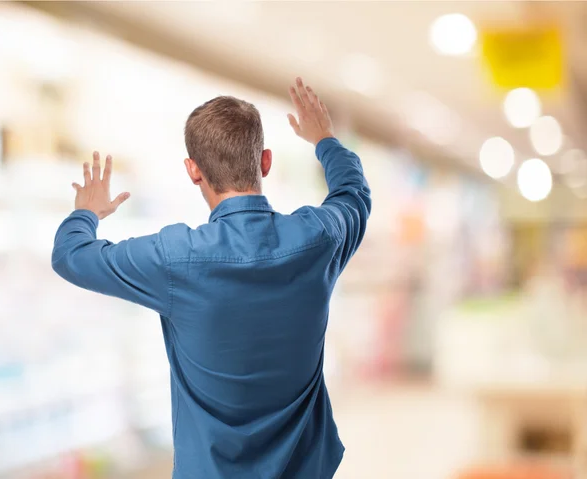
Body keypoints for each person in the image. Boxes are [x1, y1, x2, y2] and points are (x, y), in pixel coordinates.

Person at [52, 78, 371, 479]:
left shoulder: (174, 257)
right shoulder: (319, 237)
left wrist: (87, 212)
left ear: (193, 171)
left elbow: (70, 256)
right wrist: (324, 139)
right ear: (265, 162)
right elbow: (353, 194)